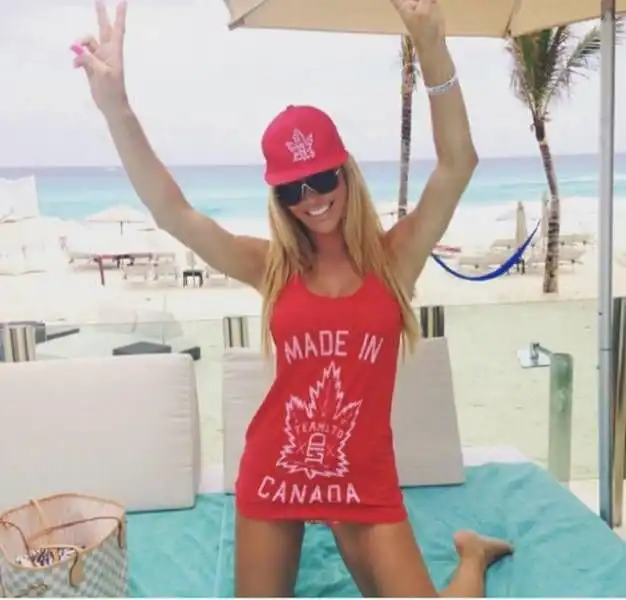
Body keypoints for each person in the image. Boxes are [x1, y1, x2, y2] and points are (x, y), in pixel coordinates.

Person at [73, 0, 513, 596]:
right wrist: (116, 109)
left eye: (323, 178)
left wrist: (431, 45)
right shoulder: (273, 267)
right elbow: (173, 212)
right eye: (292, 189)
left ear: (346, 172)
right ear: (278, 197)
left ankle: (472, 555)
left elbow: (458, 163)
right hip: (277, 467)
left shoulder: (393, 259)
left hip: (363, 474)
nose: (312, 198)